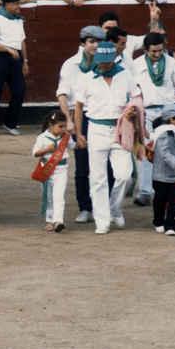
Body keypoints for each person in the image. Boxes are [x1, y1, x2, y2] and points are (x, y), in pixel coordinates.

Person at [74, 41, 141, 234]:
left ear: (114, 59)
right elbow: (78, 107)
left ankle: (114, 208)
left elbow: (136, 99)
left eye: (107, 61)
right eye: (101, 61)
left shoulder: (125, 75)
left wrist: (133, 112)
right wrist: (78, 133)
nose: (104, 64)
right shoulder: (87, 77)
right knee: (98, 178)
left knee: (124, 175)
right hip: (96, 128)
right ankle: (102, 220)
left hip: (120, 128)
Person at [131, 32, 175, 206]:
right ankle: (145, 191)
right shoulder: (136, 65)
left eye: (160, 50)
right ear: (145, 50)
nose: (157, 54)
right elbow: (133, 91)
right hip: (146, 111)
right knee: (147, 149)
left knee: (172, 150)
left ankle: (173, 190)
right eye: (153, 51)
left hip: (169, 112)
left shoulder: (172, 63)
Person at [56, 25, 105, 223]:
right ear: (83, 43)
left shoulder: (107, 62)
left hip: (101, 115)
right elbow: (62, 94)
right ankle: (85, 207)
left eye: (99, 42)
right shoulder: (71, 64)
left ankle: (103, 206)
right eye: (92, 42)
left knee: (104, 163)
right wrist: (69, 120)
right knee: (83, 164)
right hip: (80, 117)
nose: (96, 46)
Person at [0, 0, 28, 135]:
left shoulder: (18, 20)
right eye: (15, 4)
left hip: (16, 57)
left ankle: (11, 123)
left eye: (18, 3)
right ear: (7, 5)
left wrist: (25, 61)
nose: (18, 6)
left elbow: (22, 41)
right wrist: (7, 49)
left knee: (19, 90)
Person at [32, 111, 75, 233]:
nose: (63, 129)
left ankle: (58, 221)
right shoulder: (42, 137)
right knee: (49, 196)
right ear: (51, 125)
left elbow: (73, 146)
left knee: (59, 195)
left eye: (64, 126)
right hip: (47, 169)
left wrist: (80, 141)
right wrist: (47, 150)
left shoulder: (66, 137)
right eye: (60, 126)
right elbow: (35, 153)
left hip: (62, 169)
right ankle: (49, 220)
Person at [149, 103, 175, 236]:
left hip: (174, 174)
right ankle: (158, 221)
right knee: (160, 200)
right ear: (172, 119)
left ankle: (170, 224)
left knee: (173, 200)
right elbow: (164, 153)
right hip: (161, 174)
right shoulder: (164, 133)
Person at [98, 2, 163, 72]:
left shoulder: (127, 39)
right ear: (100, 28)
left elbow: (152, 39)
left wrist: (154, 20)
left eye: (114, 28)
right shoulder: (94, 44)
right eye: (107, 28)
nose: (111, 31)